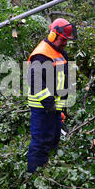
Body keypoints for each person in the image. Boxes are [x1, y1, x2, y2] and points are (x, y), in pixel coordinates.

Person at [26, 18, 77, 173]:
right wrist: (49, 104)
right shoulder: (42, 54)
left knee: (54, 140)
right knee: (40, 143)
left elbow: (62, 81)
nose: (65, 43)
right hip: (42, 108)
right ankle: (34, 176)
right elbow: (35, 81)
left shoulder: (59, 53)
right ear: (54, 35)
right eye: (63, 39)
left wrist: (60, 110)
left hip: (54, 108)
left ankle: (48, 171)